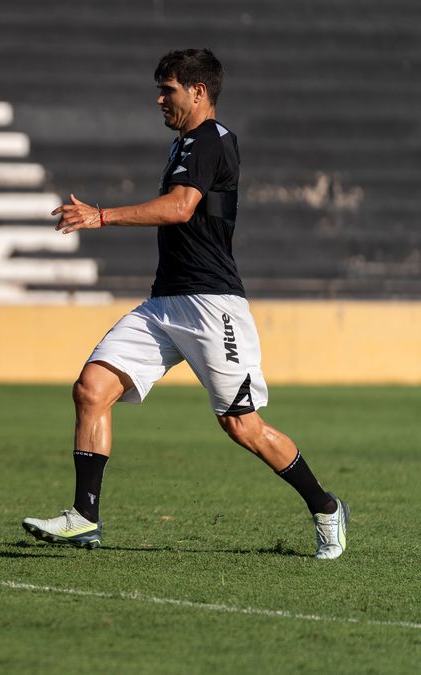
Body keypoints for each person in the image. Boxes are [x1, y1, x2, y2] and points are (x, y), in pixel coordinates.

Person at [23, 49, 348, 560]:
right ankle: (84, 517)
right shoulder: (185, 145)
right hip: (165, 303)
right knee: (91, 388)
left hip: (211, 306)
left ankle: (325, 506)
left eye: (167, 89)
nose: (159, 99)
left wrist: (101, 216)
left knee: (242, 425)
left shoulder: (211, 141)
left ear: (198, 92)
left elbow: (180, 208)